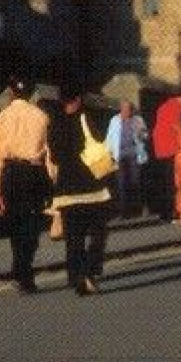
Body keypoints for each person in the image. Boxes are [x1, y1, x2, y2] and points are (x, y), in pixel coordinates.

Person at [45, 80, 113, 296]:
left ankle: (76, 277)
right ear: (78, 99)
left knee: (73, 238)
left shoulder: (54, 124)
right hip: (91, 186)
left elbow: (54, 155)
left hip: (67, 190)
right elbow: (102, 143)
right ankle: (90, 270)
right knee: (98, 233)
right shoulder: (88, 118)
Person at [0, 72, 51, 294]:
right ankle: (24, 267)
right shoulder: (42, 117)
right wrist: (52, 180)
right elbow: (49, 154)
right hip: (34, 172)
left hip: (11, 173)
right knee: (33, 223)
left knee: (15, 223)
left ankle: (21, 270)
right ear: (31, 92)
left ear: (12, 92)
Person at [104, 98, 148, 218]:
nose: (127, 112)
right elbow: (109, 138)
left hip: (134, 154)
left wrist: (141, 134)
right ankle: (123, 212)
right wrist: (108, 154)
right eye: (125, 109)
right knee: (121, 183)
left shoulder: (138, 120)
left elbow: (145, 135)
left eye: (129, 109)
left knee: (135, 182)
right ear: (121, 109)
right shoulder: (114, 120)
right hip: (119, 155)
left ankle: (138, 209)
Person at [147, 91, 181, 221]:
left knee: (163, 183)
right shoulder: (176, 107)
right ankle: (172, 213)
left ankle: (163, 213)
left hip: (159, 149)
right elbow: (177, 128)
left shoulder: (163, 107)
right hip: (171, 149)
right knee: (172, 183)